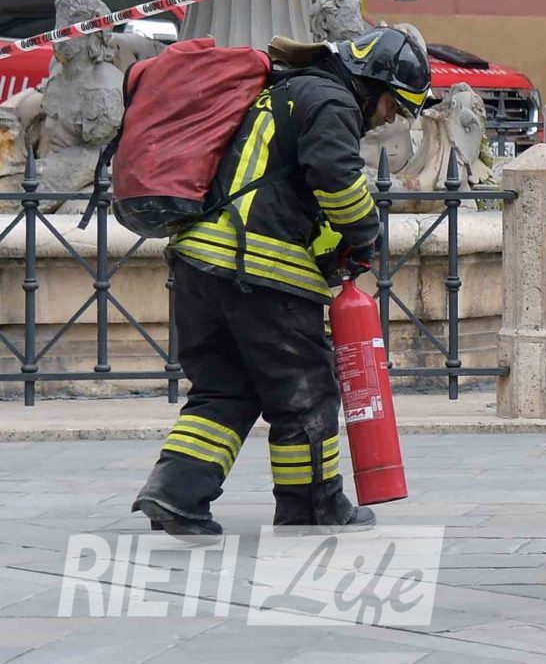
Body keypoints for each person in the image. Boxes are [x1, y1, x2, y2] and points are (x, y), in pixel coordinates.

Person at [132, 26, 435, 538]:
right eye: (392, 104)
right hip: (257, 269)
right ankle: (312, 506)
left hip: (197, 262)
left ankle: (175, 494)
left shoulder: (285, 90)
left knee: (224, 389)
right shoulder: (332, 99)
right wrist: (366, 237)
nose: (389, 117)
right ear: (372, 81)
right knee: (306, 393)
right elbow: (336, 178)